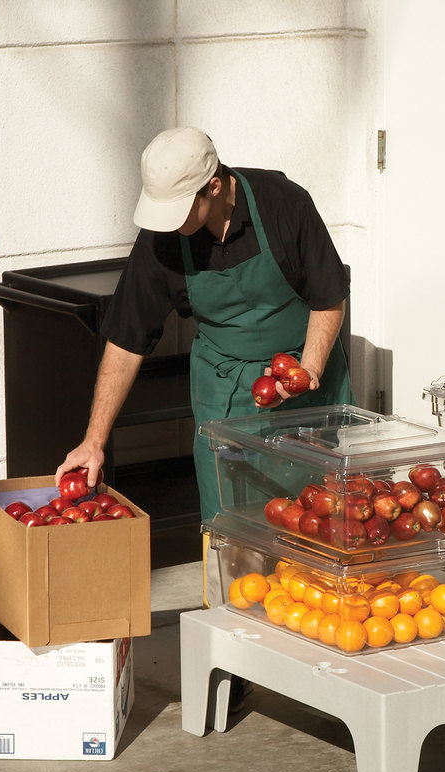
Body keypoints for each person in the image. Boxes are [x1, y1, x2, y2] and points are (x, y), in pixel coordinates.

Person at [55, 126, 352, 521]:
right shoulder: (163, 239)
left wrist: (309, 368)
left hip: (305, 385)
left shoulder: (283, 204)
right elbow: (126, 339)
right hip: (224, 392)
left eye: (177, 210)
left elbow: (329, 295)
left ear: (213, 187)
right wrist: (94, 440)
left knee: (320, 521)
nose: (168, 223)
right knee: (229, 526)